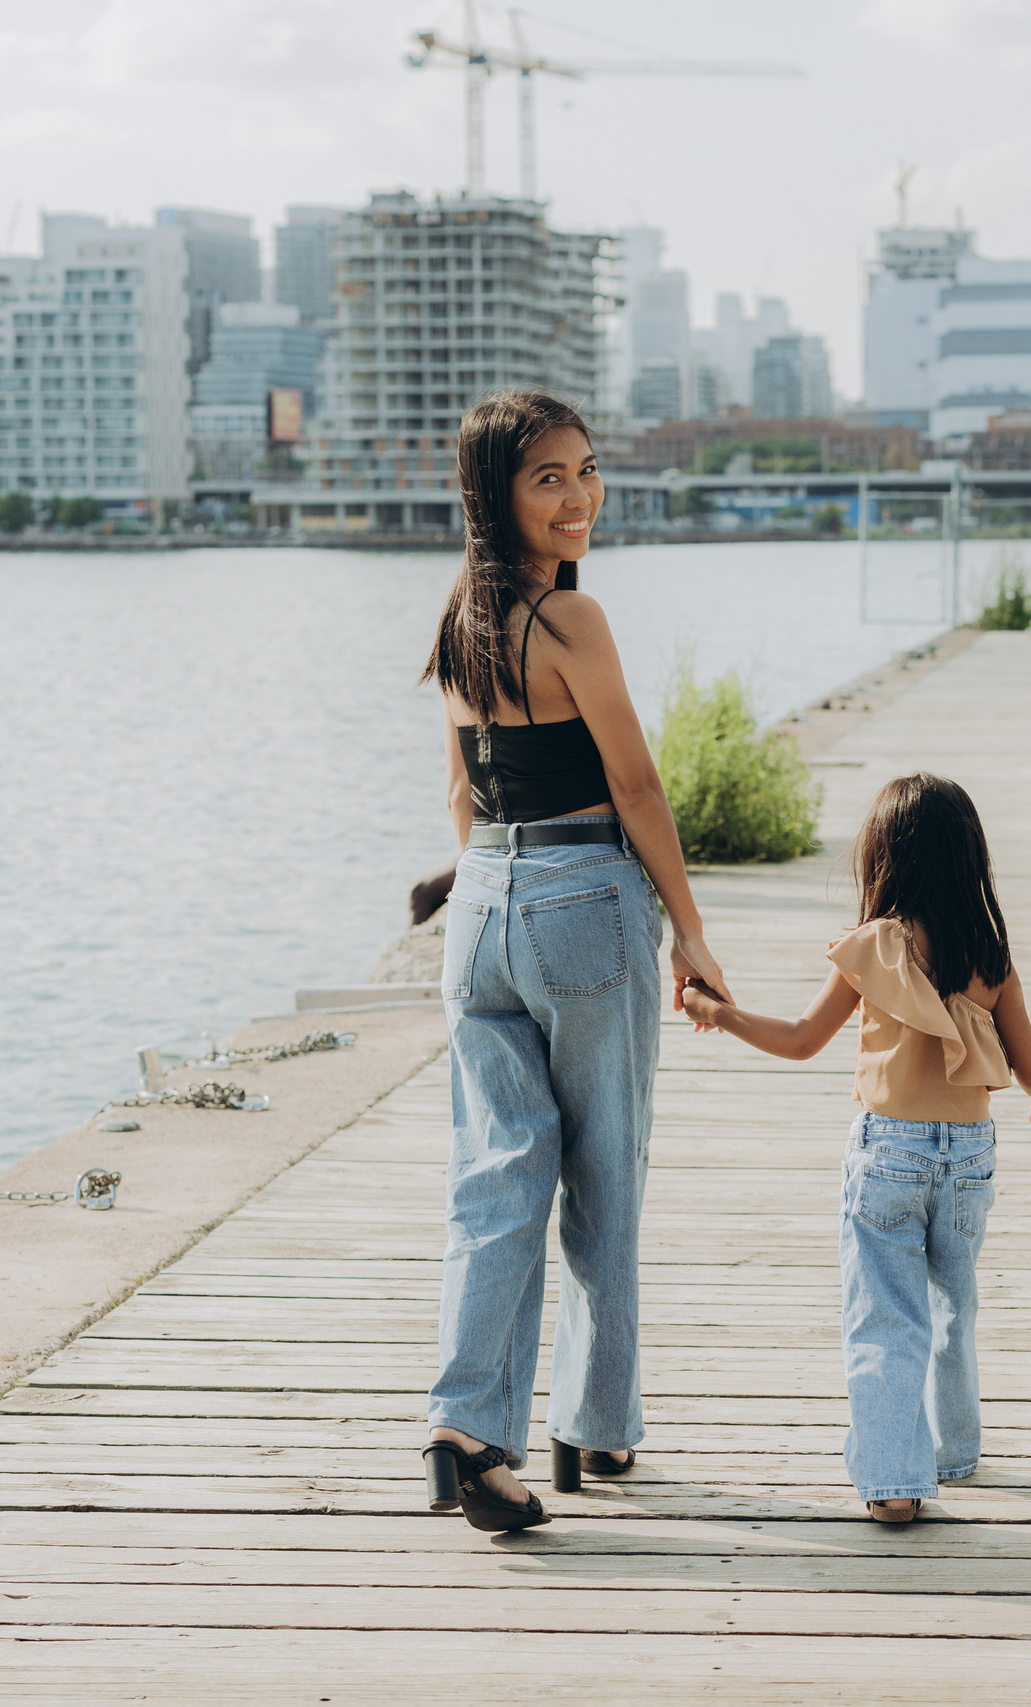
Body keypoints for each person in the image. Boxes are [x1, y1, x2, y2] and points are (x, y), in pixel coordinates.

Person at [419, 390, 731, 1534]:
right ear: (495, 493)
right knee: (605, 1171)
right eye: (549, 477)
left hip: (481, 903)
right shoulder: (569, 624)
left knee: (496, 1180)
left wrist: (494, 896)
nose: (579, 497)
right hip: (580, 898)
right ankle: (592, 1426)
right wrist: (688, 932)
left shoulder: (457, 619)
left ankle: (465, 1425)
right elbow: (637, 785)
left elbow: (460, 794)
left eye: (587, 471)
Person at [678, 773, 1031, 1523]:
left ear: (884, 857)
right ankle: (952, 1451)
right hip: (969, 1156)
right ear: (969, 858)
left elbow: (799, 1041)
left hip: (888, 1149)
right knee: (953, 1302)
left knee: (885, 1315)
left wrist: (715, 1010)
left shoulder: (873, 948)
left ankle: (895, 1480)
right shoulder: (991, 956)